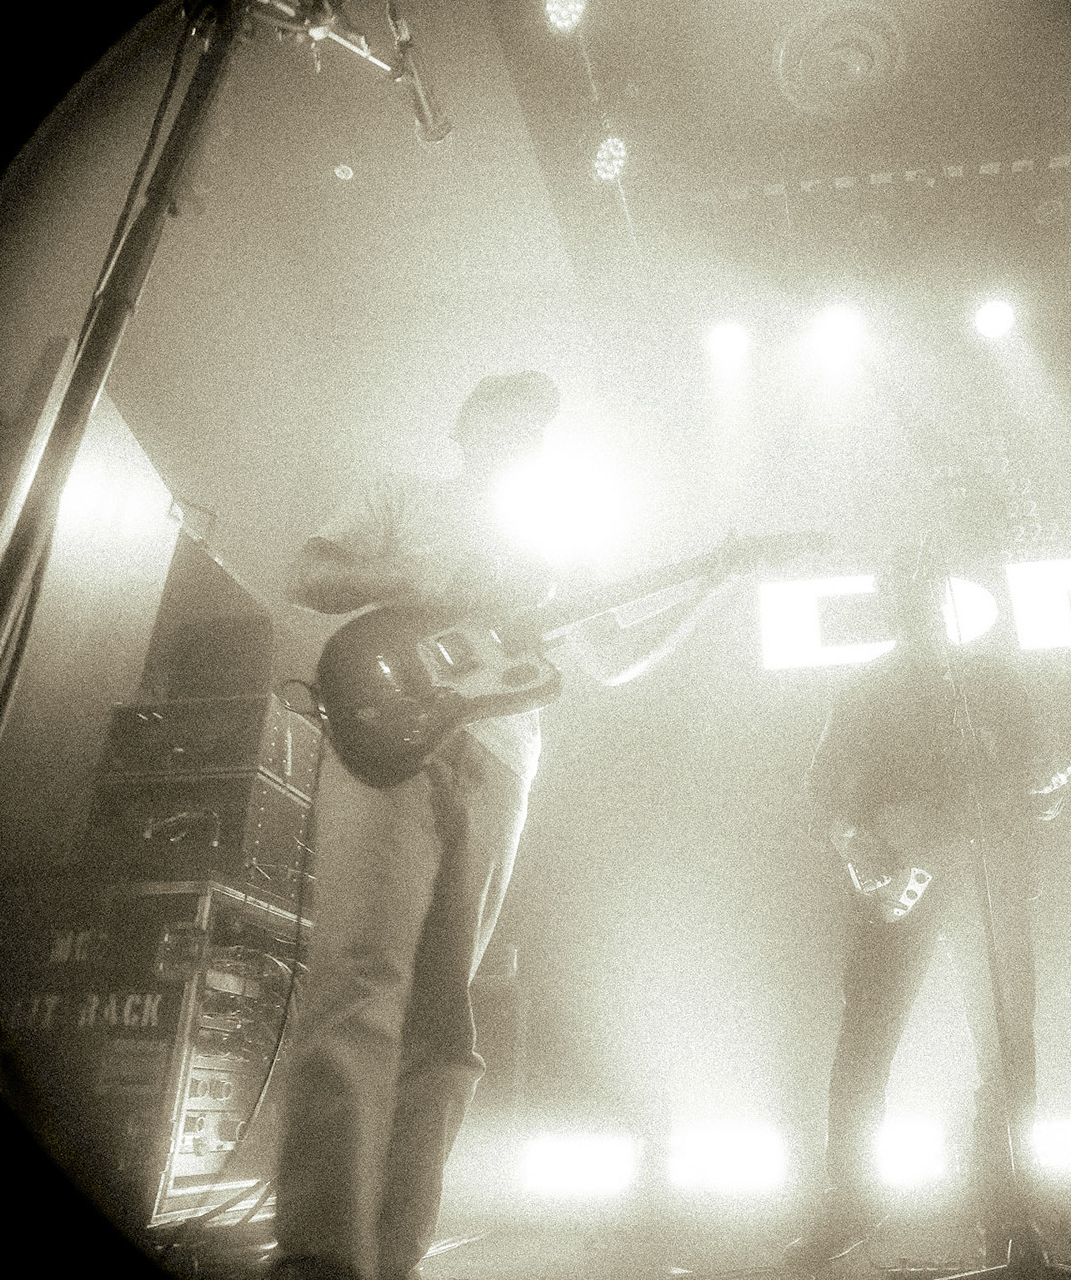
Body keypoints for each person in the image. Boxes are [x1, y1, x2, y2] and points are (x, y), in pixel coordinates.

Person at [272, 371, 728, 1280]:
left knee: (445, 1013)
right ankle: (321, 1257)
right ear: (465, 423)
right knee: (359, 978)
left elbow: (612, 657)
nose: (526, 433)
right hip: (388, 736)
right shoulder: (402, 495)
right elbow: (309, 572)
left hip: (503, 760)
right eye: (509, 415)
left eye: (539, 424)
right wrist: (411, 575)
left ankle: (394, 1255)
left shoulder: (556, 536)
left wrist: (711, 584)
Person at [785, 540, 1060, 1279]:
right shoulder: (868, 688)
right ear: (891, 605)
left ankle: (1008, 1210)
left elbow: (1040, 783)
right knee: (867, 1040)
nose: (919, 604)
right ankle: (851, 1202)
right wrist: (859, 846)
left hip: (989, 878)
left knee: (1007, 1046)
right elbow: (821, 790)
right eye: (904, 592)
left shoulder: (992, 681)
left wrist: (1048, 786)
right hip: (901, 878)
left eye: (927, 590)